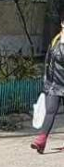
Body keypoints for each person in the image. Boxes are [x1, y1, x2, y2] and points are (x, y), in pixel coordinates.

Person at [31, 13, 64, 153]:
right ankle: (41, 140)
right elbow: (48, 61)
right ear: (62, 23)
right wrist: (46, 81)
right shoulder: (56, 40)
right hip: (54, 84)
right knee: (50, 111)